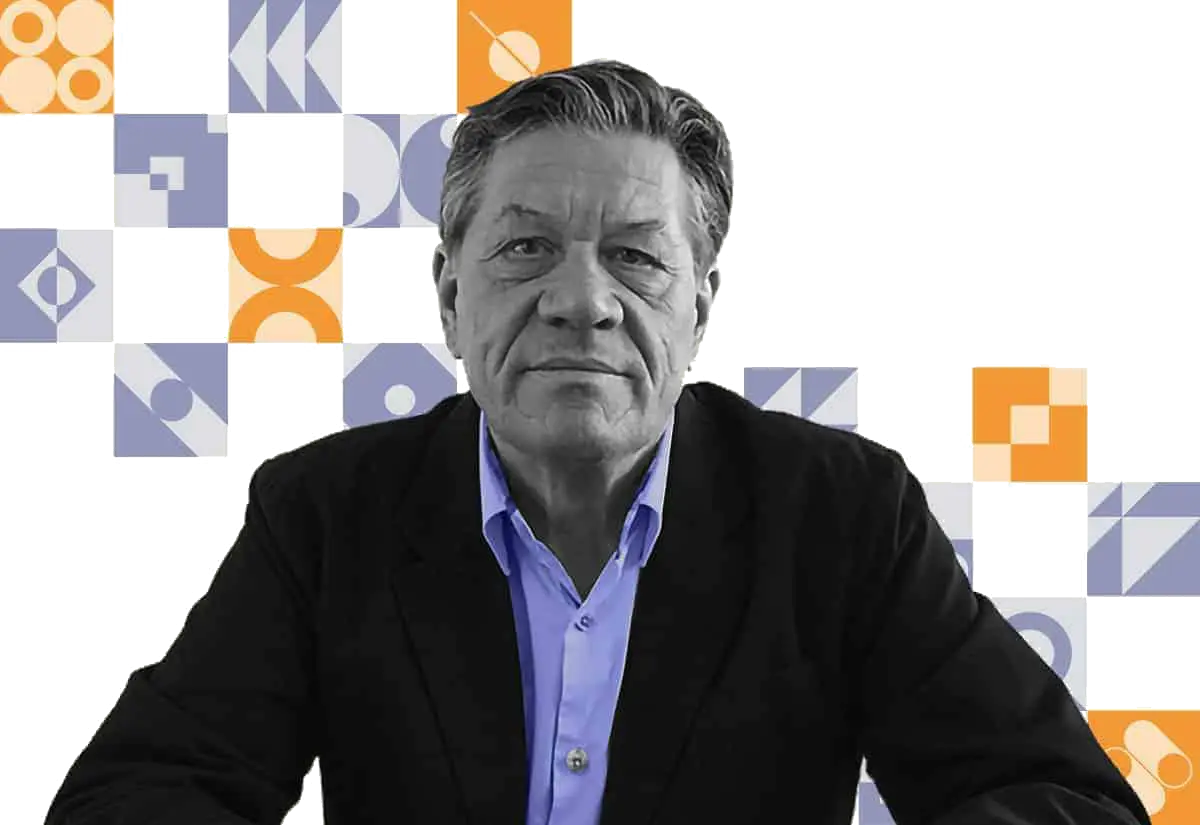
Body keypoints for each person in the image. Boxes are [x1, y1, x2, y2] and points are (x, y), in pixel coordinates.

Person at [44, 59, 1151, 825]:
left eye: (637, 257)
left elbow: (1065, 801)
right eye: (526, 249)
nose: (582, 302)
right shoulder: (327, 513)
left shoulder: (844, 512)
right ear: (450, 299)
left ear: (698, 310)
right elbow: (138, 794)